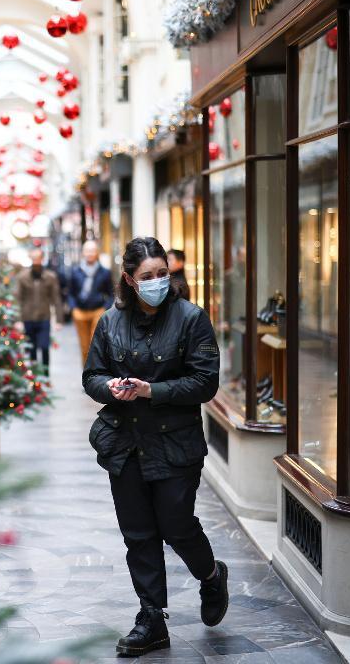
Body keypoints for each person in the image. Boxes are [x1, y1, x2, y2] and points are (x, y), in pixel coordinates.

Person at [82, 237, 227, 656]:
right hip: (124, 443)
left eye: (163, 273)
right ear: (129, 279)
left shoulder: (191, 318)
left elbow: (206, 382)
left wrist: (152, 390)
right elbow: (91, 375)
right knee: (139, 533)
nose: (158, 281)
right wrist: (109, 386)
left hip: (174, 443)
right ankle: (151, 616)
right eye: (147, 276)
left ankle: (211, 575)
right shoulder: (110, 321)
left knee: (177, 525)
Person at [16, 248, 63, 373]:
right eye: (33, 259)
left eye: (38, 258)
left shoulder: (50, 277)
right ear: (30, 259)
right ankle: (35, 375)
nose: (36, 261)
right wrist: (18, 320)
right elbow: (18, 299)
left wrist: (59, 320)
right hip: (28, 318)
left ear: (42, 259)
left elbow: (56, 298)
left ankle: (46, 375)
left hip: (44, 317)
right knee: (31, 348)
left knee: (44, 347)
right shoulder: (22, 277)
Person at [67, 240, 113, 364]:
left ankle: (97, 371)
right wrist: (73, 309)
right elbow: (70, 293)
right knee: (84, 346)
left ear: (97, 252)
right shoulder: (76, 271)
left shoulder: (105, 272)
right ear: (83, 253)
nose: (90, 253)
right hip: (80, 312)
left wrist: (105, 309)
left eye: (92, 251)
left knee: (96, 344)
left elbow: (111, 294)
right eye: (87, 251)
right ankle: (87, 374)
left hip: (97, 311)